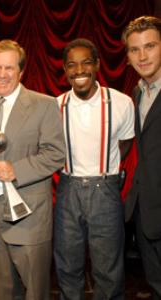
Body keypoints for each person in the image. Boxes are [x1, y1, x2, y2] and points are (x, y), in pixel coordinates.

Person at [0, 39, 66, 300]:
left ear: (21, 72)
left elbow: (56, 153)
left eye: (9, 68)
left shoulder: (44, 104)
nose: (2, 74)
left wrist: (17, 170)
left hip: (29, 216)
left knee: (35, 293)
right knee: (3, 292)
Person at [54, 38, 135, 300]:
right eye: (72, 65)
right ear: (65, 70)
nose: (79, 71)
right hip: (68, 190)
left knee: (109, 269)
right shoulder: (56, 105)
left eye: (86, 62)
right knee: (67, 265)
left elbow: (125, 143)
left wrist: (108, 173)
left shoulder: (121, 102)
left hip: (105, 190)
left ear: (98, 65)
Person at [122, 16, 161, 299]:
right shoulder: (137, 92)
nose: (143, 56)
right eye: (135, 49)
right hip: (146, 211)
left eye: (150, 46)